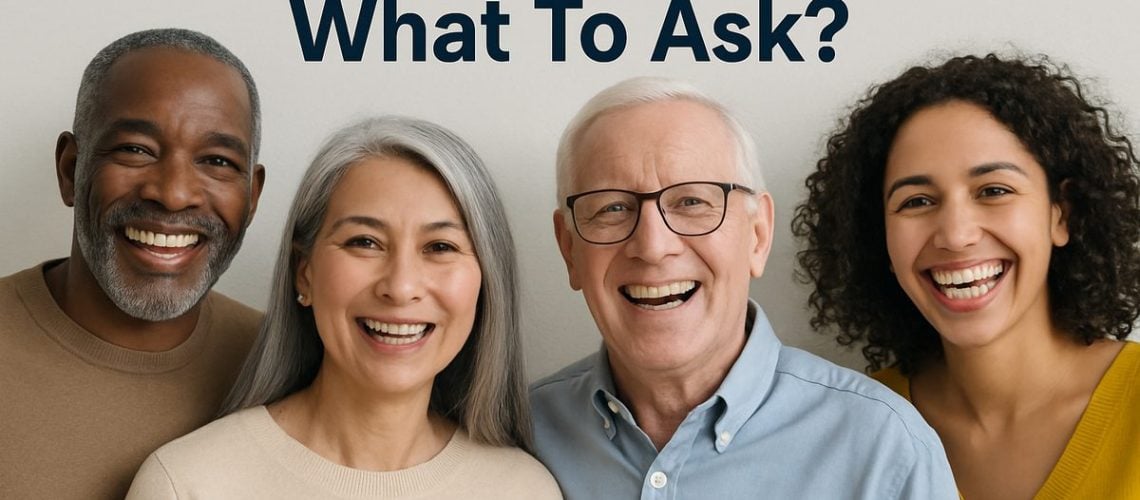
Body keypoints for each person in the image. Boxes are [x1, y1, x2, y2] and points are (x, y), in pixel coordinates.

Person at [530, 76, 957, 499]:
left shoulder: (883, 447)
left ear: (758, 234)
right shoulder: (515, 437)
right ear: (569, 249)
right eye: (613, 207)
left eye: (691, 202)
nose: (653, 247)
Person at [126, 116, 561, 499]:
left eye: (440, 247)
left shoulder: (524, 491)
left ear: (485, 284)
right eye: (364, 242)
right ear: (304, 273)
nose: (401, 286)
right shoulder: (188, 484)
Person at [793, 53, 1140, 499]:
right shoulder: (849, 426)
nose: (956, 235)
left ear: (1062, 214)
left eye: (994, 191)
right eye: (916, 201)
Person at [0, 29, 265, 499]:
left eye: (217, 160)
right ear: (70, 170)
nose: (173, 192)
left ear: (252, 196)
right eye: (135, 150)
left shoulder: (283, 364)